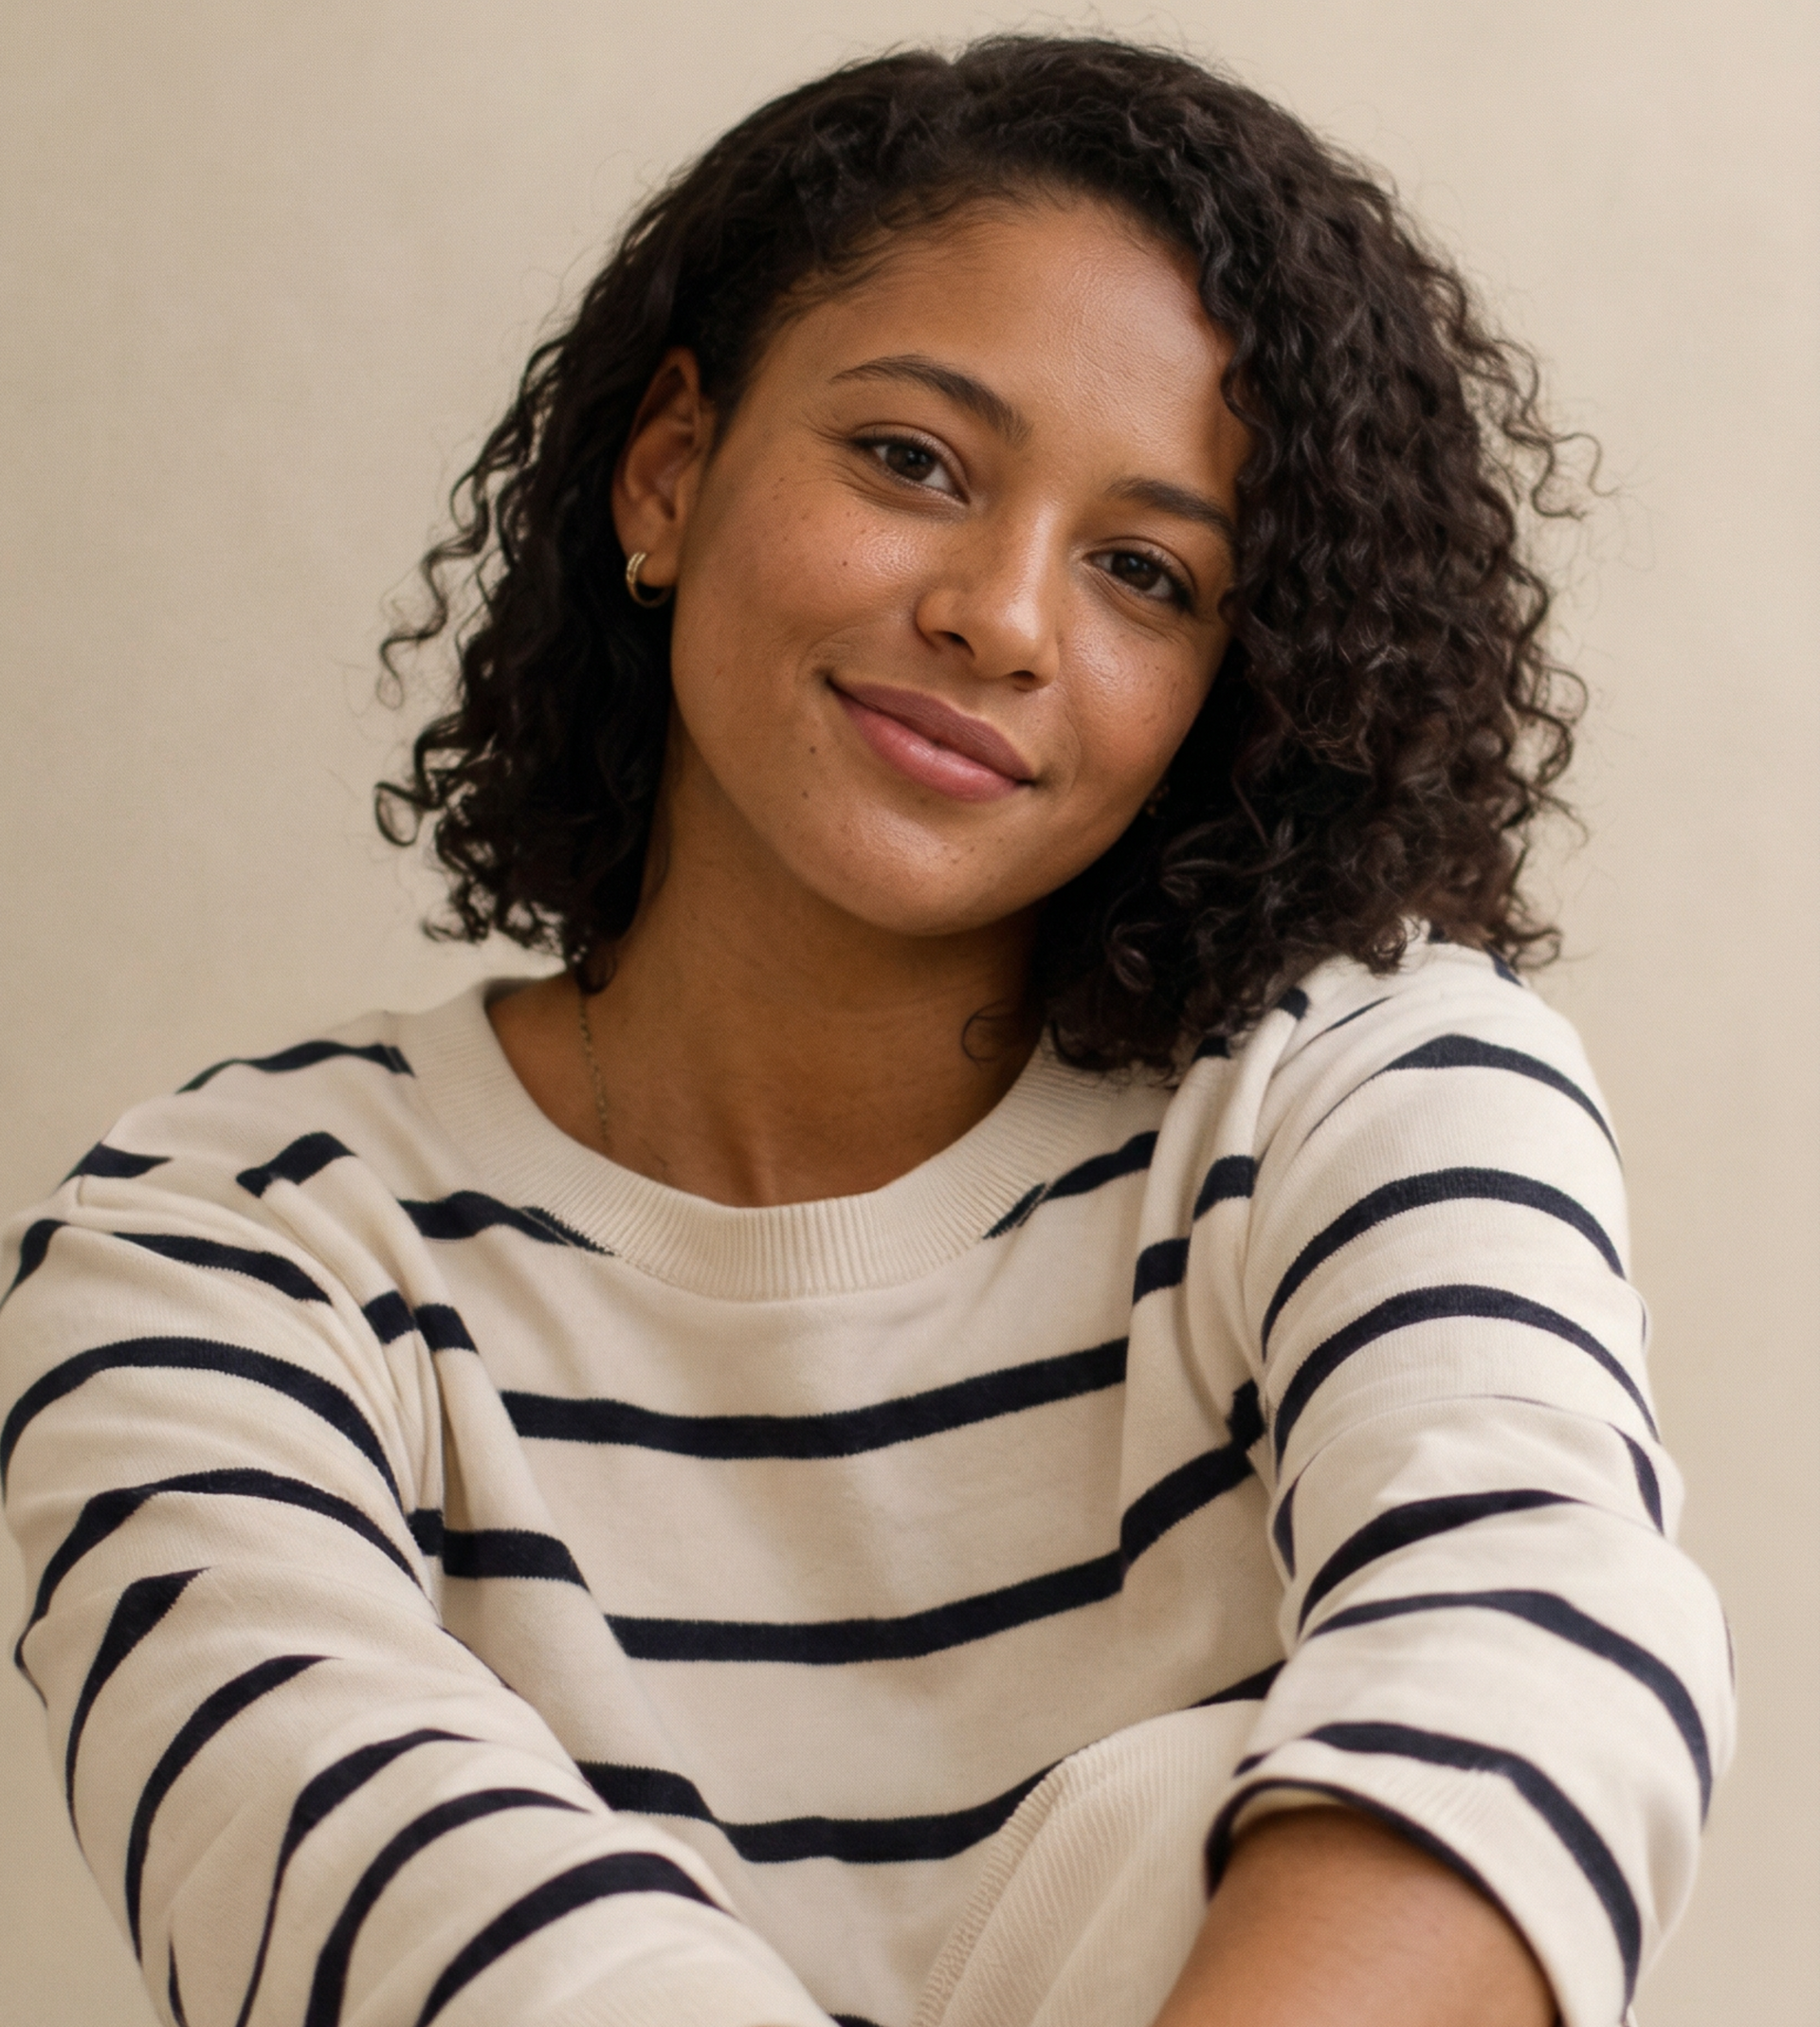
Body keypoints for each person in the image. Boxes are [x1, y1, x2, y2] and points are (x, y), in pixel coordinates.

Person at [0, 34, 1731, 2027]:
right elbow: (424, 1945)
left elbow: (1534, 1647)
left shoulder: (1359, 1088)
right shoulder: (220, 1253)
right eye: (913, 459)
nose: (1002, 616)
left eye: (1146, 573)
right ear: (670, 468)